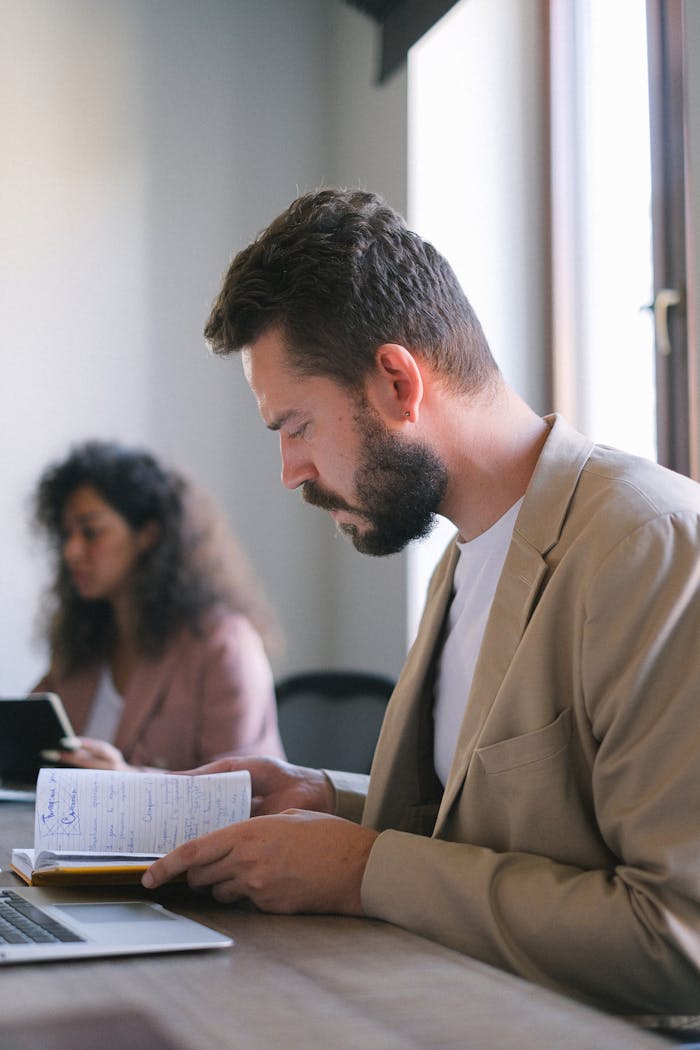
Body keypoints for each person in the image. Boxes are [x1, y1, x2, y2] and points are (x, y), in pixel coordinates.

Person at [143, 189, 700, 1028]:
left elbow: (679, 935)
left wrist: (362, 868)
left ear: (398, 381)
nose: (291, 471)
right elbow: (495, 832)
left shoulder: (649, 546)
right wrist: (323, 800)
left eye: (295, 426)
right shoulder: (463, 557)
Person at [32, 440, 285, 770]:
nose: (72, 551)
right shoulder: (81, 642)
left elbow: (247, 793)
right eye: (66, 535)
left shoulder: (224, 644)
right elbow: (24, 743)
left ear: (148, 534)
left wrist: (129, 783)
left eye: (91, 532)